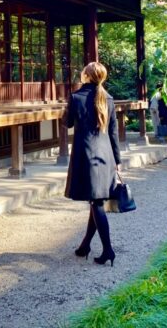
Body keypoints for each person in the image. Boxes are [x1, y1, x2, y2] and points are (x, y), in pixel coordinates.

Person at [65, 62, 120, 267]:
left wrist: (69, 104)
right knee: (95, 200)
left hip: (87, 155)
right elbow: (113, 133)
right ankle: (85, 246)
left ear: (86, 76)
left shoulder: (76, 97)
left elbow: (67, 122)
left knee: (96, 203)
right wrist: (118, 161)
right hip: (106, 157)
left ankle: (108, 250)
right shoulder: (109, 99)